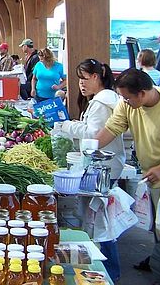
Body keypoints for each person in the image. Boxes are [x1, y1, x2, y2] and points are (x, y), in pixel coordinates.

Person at [54, 58, 124, 281]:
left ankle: (110, 272)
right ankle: (105, 269)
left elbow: (93, 136)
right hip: (104, 167)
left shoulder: (102, 103)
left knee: (101, 221)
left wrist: (67, 126)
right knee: (100, 219)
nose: (81, 84)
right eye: (79, 80)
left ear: (96, 77)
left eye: (84, 79)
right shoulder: (103, 99)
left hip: (102, 169)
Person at [94, 68, 160, 273]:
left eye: (127, 98)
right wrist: (89, 149)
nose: (124, 102)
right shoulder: (127, 104)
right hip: (149, 174)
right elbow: (113, 127)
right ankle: (158, 260)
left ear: (142, 93)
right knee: (155, 224)